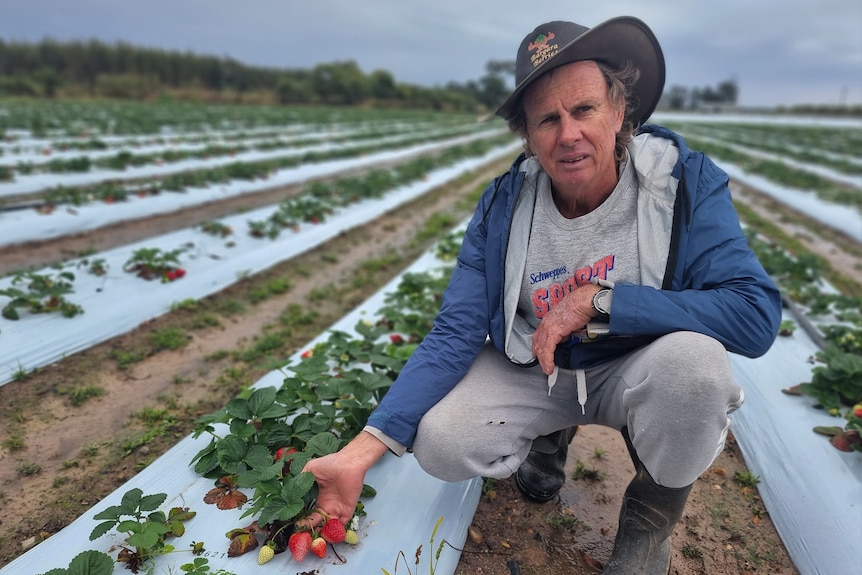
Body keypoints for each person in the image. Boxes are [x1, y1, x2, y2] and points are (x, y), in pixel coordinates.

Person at [304, 15, 782, 575]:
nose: (568, 134)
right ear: (529, 137)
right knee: (441, 440)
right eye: (547, 119)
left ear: (619, 109)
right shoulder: (504, 205)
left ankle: (648, 529)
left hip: (636, 363)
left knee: (696, 373)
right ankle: (550, 436)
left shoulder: (682, 184)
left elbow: (754, 315)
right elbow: (457, 329)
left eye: (584, 109)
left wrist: (604, 303)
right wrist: (361, 451)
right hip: (542, 368)